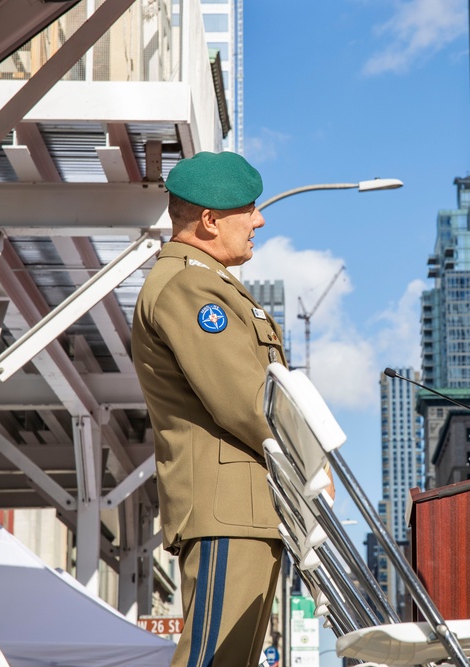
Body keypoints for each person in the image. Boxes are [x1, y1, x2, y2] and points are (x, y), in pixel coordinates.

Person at [132, 151, 285, 667]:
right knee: (214, 659)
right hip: (226, 509)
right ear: (211, 220)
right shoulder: (191, 286)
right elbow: (244, 400)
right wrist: (311, 461)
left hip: (242, 507)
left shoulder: (208, 281)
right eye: (249, 209)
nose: (259, 220)